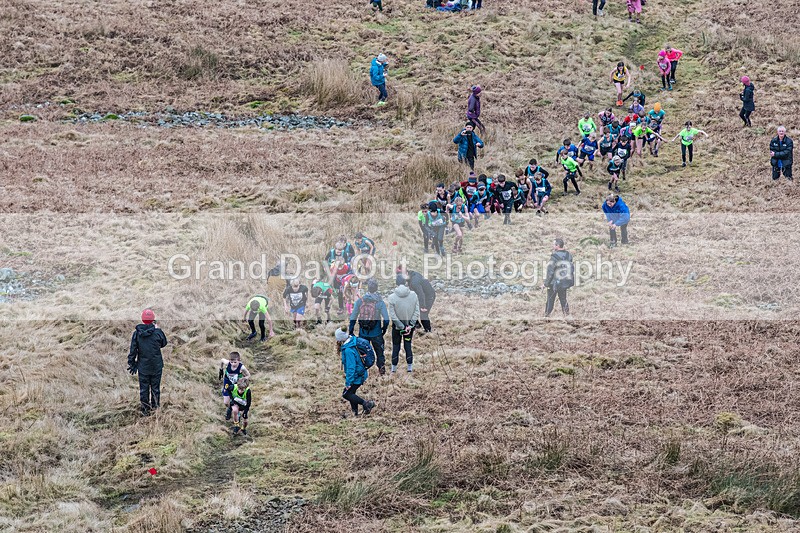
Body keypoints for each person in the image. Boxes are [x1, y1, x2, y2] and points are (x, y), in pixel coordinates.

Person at [128, 309, 168, 416]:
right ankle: (155, 409)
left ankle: (145, 410)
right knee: (155, 388)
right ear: (153, 320)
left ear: (142, 319)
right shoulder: (157, 332)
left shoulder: (137, 333)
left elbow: (133, 350)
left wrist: (132, 363)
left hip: (143, 367)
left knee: (144, 388)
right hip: (156, 366)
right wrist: (158, 329)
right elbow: (164, 343)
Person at [349, 278, 390, 375]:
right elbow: (387, 319)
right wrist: (383, 329)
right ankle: (381, 370)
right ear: (377, 288)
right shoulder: (380, 302)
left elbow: (353, 317)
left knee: (362, 353)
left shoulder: (360, 301)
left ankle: (362, 372)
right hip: (377, 333)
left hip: (363, 332)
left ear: (368, 288)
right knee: (380, 353)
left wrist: (350, 331)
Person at [336, 328, 375, 416]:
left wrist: (348, 382)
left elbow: (351, 368)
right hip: (360, 373)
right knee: (351, 393)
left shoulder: (348, 350)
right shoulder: (352, 342)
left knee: (346, 394)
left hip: (357, 375)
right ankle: (355, 413)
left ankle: (367, 404)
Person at [388, 275, 420, 373]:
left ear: (396, 283)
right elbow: (417, 311)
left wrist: (402, 326)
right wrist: (410, 325)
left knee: (396, 347)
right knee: (408, 346)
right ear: (405, 283)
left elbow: (393, 316)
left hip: (397, 328)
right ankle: (409, 368)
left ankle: (393, 369)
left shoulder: (391, 297)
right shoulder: (414, 295)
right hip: (409, 328)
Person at [542, 238, 574, 317]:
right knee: (563, 300)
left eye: (553, 244)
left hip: (554, 284)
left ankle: (546, 316)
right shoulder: (568, 255)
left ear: (557, 246)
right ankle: (567, 315)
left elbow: (550, 272)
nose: (552, 246)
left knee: (550, 300)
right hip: (564, 282)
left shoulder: (554, 257)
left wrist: (545, 284)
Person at [399, 266, 436, 333]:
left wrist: (422, 306)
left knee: (423, 314)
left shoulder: (414, 281)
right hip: (421, 294)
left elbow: (421, 294)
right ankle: (417, 325)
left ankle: (428, 331)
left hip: (429, 296)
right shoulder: (411, 275)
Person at [219, 352, 250, 420]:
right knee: (226, 402)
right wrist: (221, 369)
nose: (233, 364)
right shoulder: (227, 363)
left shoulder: (242, 367)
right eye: (232, 362)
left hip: (236, 385)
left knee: (235, 399)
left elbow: (248, 375)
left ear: (239, 360)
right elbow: (222, 360)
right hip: (227, 382)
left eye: (235, 362)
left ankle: (236, 412)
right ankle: (230, 409)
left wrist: (243, 379)